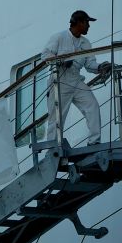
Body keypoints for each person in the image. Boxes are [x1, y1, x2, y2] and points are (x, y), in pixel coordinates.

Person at [41, 10, 110, 147]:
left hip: (76, 80)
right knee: (57, 118)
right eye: (87, 23)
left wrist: (101, 67)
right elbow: (45, 55)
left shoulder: (86, 43)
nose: (89, 26)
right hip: (60, 80)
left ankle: (94, 142)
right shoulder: (59, 37)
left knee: (92, 106)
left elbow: (90, 65)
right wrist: (60, 61)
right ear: (79, 23)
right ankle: (52, 148)